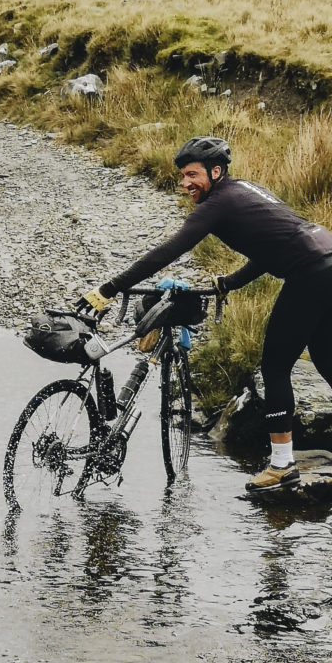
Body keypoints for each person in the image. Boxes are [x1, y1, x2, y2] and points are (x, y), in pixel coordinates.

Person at [79, 136, 332, 492]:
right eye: (182, 176)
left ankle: (281, 466)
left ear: (215, 172)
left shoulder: (218, 204)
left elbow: (169, 250)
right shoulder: (243, 191)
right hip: (325, 260)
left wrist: (108, 289)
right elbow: (271, 248)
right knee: (326, 360)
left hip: (311, 272)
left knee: (275, 367)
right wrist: (228, 282)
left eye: (192, 175)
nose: (185, 184)